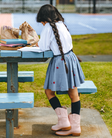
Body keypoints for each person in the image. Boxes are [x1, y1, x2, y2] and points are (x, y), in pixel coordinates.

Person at [36, 4, 85, 136]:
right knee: (74, 93)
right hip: (71, 59)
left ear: (44, 19)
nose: (42, 23)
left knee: (49, 91)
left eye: (41, 21)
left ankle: (63, 121)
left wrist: (38, 42)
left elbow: (43, 47)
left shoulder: (48, 28)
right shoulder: (62, 24)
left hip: (59, 62)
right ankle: (75, 127)